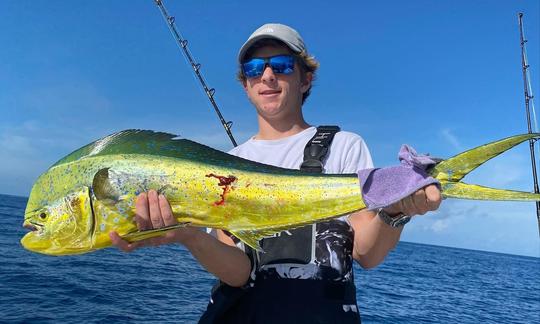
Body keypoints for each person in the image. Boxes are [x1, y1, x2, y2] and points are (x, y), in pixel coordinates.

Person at [110, 23, 441, 323]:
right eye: (254, 68)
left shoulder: (344, 146)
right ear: (246, 85)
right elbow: (238, 273)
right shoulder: (227, 163)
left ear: (305, 78)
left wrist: (397, 210)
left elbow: (367, 254)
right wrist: (188, 235)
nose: (266, 76)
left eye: (280, 65)